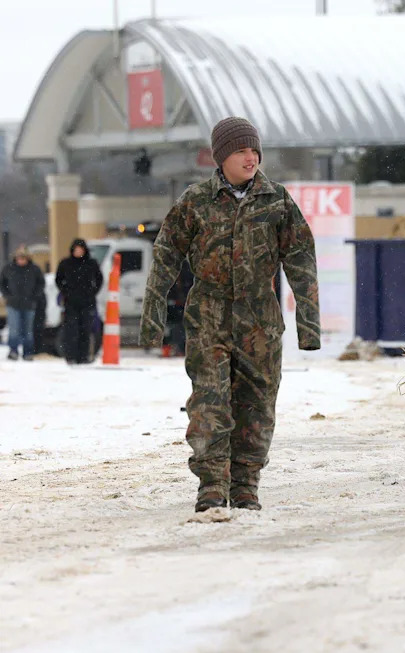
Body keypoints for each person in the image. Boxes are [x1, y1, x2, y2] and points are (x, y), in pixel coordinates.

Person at [140, 116, 322, 513]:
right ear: (221, 156)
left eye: (254, 150)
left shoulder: (277, 200)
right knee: (209, 402)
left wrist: (309, 326)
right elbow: (166, 255)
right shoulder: (195, 201)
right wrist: (152, 319)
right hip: (208, 318)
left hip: (260, 321)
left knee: (257, 405)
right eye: (241, 150)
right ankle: (211, 485)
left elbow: (302, 261)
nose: (250, 157)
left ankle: (245, 486)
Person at [55, 238, 103, 364]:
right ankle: (71, 356)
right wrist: (65, 292)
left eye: (80, 250)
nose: (78, 252)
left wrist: (93, 292)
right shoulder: (66, 263)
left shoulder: (91, 263)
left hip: (87, 302)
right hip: (70, 303)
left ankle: (84, 356)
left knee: (85, 330)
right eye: (76, 250)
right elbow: (58, 279)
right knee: (71, 330)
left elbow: (99, 279)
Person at [1, 245, 45, 361]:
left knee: (28, 330)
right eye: (19, 258)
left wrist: (35, 296)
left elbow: (41, 284)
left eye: (23, 258)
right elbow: (2, 283)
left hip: (29, 304)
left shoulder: (34, 269)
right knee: (14, 329)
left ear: (28, 258)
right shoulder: (8, 268)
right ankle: (13, 351)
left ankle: (28, 352)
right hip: (13, 304)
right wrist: (7, 296)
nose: (21, 260)